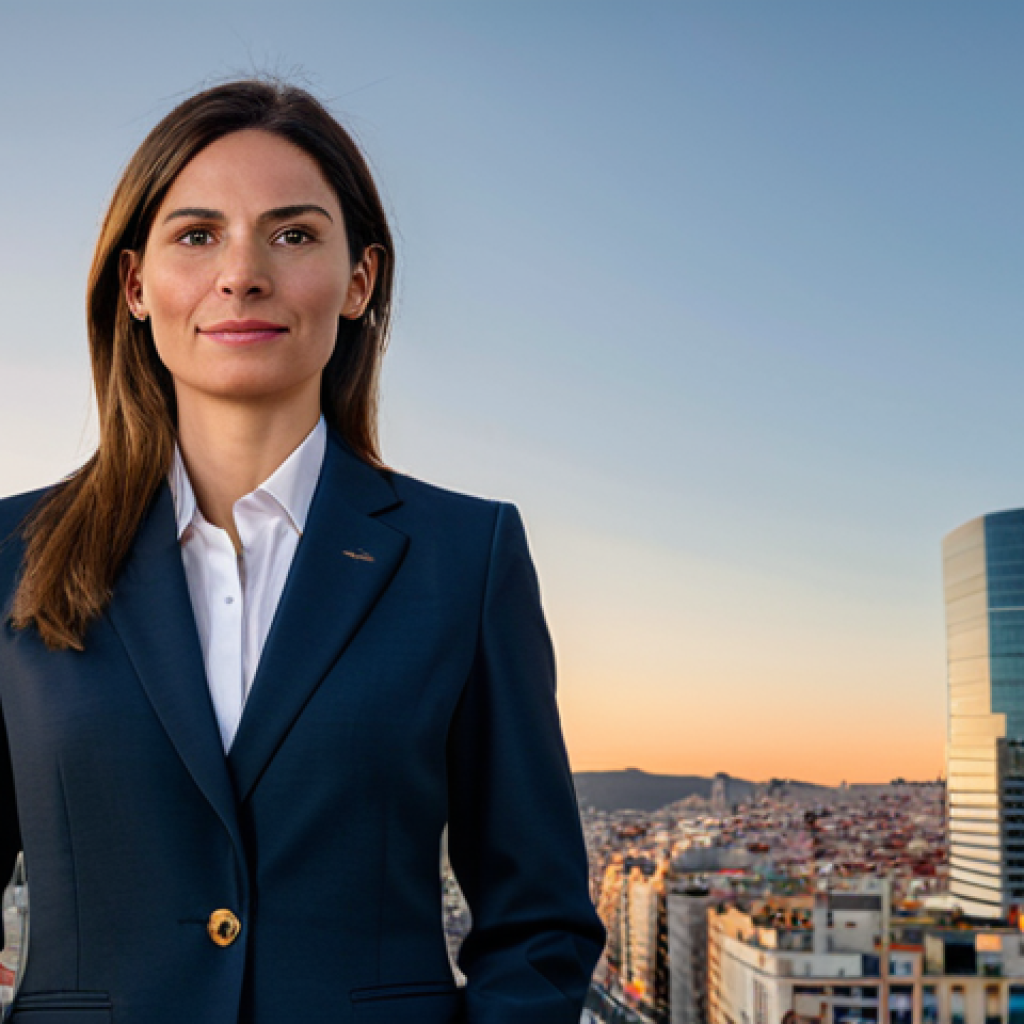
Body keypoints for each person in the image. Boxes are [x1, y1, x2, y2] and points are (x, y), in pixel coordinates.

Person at [0, 78, 605, 1024]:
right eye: (197, 235)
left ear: (359, 280)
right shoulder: (11, 555)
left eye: (292, 235)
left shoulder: (467, 558)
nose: (241, 274)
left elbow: (539, 925)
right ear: (135, 287)